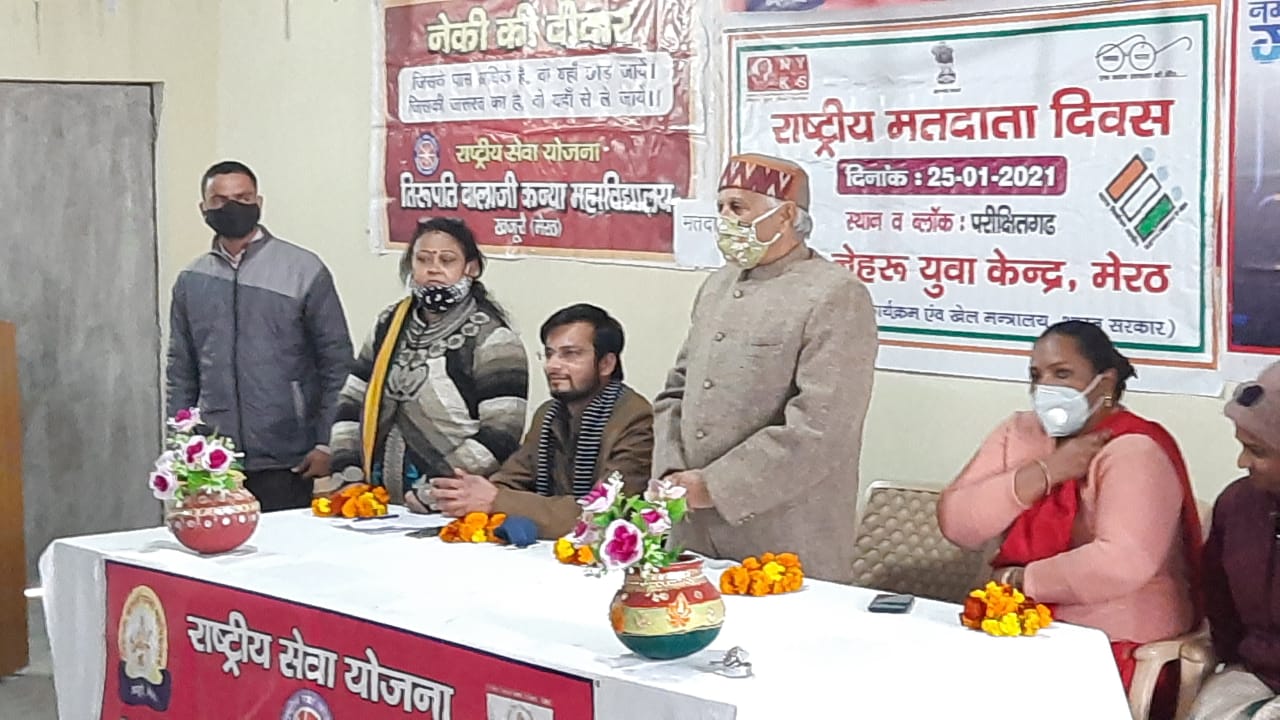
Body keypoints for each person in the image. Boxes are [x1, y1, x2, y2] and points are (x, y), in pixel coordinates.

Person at [938, 321, 1202, 713]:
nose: (1045, 387)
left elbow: (1120, 563)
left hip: (1113, 647)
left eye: (1062, 374)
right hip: (1016, 634)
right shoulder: (1021, 432)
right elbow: (958, 524)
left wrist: (1019, 581)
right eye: (1036, 376)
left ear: (1105, 383)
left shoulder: (1134, 449)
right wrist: (1047, 471)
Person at [651, 153, 878, 583]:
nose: (725, 219)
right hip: (691, 534)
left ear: (787, 215)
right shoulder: (717, 285)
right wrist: (669, 470)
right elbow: (676, 390)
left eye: (738, 207)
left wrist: (714, 487)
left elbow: (821, 429)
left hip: (781, 542)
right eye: (720, 207)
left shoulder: (835, 294)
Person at [166, 160, 353, 511]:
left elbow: (337, 364)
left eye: (243, 198)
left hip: (289, 457)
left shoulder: (303, 270)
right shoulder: (191, 280)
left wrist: (327, 442)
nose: (232, 207)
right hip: (214, 461)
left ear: (259, 202)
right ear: (203, 208)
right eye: (220, 200)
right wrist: (181, 444)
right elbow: (181, 370)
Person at [329, 218, 528, 508]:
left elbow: (502, 433)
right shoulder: (390, 324)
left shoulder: (493, 339)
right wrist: (349, 474)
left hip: (454, 505)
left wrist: (433, 490)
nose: (433, 269)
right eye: (423, 259)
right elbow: (351, 401)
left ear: (471, 268)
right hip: (377, 503)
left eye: (447, 260)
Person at [426, 304, 653, 539]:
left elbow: (606, 514)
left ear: (606, 364)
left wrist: (496, 500)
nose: (552, 365)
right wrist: (467, 493)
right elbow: (512, 479)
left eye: (570, 354)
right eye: (549, 354)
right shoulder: (549, 414)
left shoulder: (635, 419)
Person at [1189, 363, 1280, 719]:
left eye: (1258, 451)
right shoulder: (1237, 505)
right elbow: (1220, 607)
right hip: (1256, 674)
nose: (1242, 461)